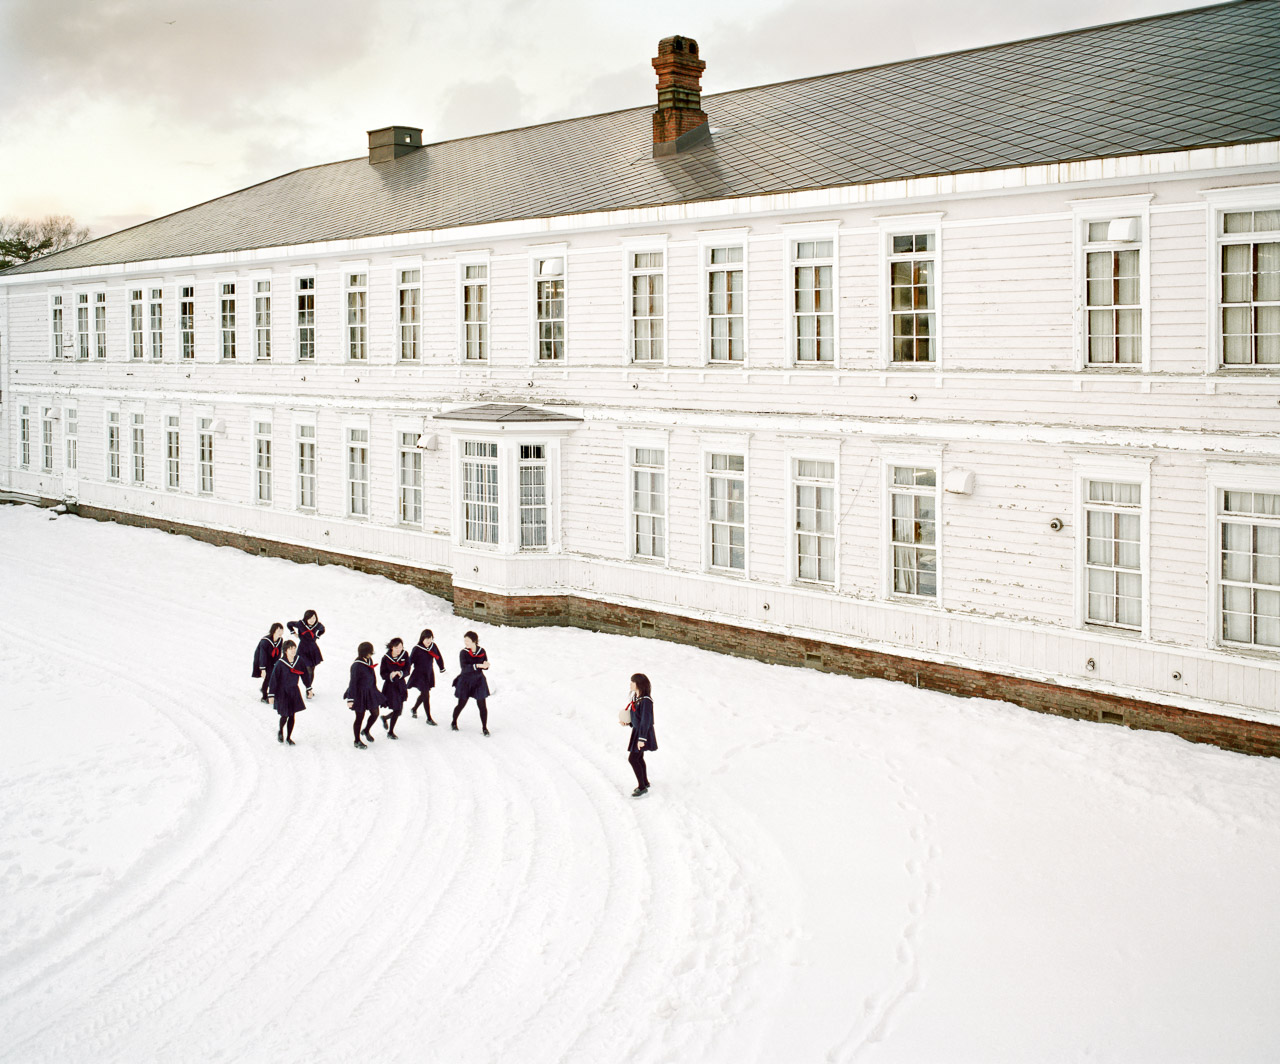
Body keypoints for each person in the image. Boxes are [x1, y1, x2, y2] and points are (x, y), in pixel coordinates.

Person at [451, 630, 491, 736]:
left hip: (479, 681)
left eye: (467, 641)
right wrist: (478, 665)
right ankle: (454, 722)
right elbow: (464, 668)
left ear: (474, 641)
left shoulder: (482, 651)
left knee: (482, 705)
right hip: (465, 681)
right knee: (461, 704)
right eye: (465, 641)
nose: (466, 643)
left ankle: (484, 727)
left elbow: (485, 664)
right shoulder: (463, 652)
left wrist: (486, 665)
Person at [624, 673, 658, 797]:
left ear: (639, 684)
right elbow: (637, 717)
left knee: (633, 759)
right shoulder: (637, 698)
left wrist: (642, 738)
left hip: (643, 733)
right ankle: (645, 782)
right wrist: (628, 723)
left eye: (632, 682)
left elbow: (646, 720)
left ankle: (642, 787)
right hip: (637, 731)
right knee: (638, 758)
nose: (630, 684)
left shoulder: (646, 701)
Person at [268, 640, 307, 745]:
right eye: (290, 649)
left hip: (293, 691)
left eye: (294, 648)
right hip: (282, 692)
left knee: (292, 715)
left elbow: (304, 674)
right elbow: (274, 679)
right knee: (285, 715)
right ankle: (280, 731)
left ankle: (289, 737)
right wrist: (271, 694)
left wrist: (308, 687)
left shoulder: (299, 661)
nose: (293, 650)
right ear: (285, 651)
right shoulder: (280, 663)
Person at [344, 641, 381, 749]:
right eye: (370, 652)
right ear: (365, 653)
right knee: (360, 718)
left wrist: (375, 689)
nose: (371, 654)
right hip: (359, 694)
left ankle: (366, 730)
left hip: (370, 692)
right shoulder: (356, 666)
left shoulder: (369, 660)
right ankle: (357, 740)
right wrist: (350, 699)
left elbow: (372, 676)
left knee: (375, 713)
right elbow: (353, 683)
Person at [407, 629, 446, 724]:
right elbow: (410, 661)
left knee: (424, 694)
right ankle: (429, 718)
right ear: (422, 639)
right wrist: (405, 671)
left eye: (430, 638)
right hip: (419, 675)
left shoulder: (433, 646)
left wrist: (441, 667)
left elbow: (438, 657)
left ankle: (414, 709)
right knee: (426, 695)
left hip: (428, 674)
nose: (429, 641)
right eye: (427, 639)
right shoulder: (417, 649)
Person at [287, 610, 325, 698]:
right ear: (306, 618)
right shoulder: (301, 624)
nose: (312, 620)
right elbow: (289, 624)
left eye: (314, 618)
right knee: (308, 669)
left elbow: (322, 629)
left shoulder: (317, 625)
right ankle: (307, 688)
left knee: (312, 669)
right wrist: (293, 633)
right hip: (303, 649)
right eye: (310, 618)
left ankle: (309, 689)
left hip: (313, 649)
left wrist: (317, 635)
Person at [379, 638, 410, 740]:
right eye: (396, 647)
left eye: (400, 647)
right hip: (390, 686)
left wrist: (401, 673)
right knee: (397, 709)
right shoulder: (385, 658)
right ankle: (390, 732)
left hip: (401, 685)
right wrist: (390, 675)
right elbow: (382, 674)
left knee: (399, 711)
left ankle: (385, 718)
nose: (399, 650)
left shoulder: (405, 655)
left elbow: (407, 670)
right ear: (391, 647)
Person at [252, 623, 285, 703]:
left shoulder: (280, 640)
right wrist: (263, 669)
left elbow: (278, 653)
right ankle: (264, 696)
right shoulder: (265, 641)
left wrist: (277, 664)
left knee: (274, 676)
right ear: (273, 631)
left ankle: (268, 690)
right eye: (278, 630)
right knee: (268, 677)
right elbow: (262, 655)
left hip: (272, 660)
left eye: (281, 630)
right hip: (262, 660)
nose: (280, 632)